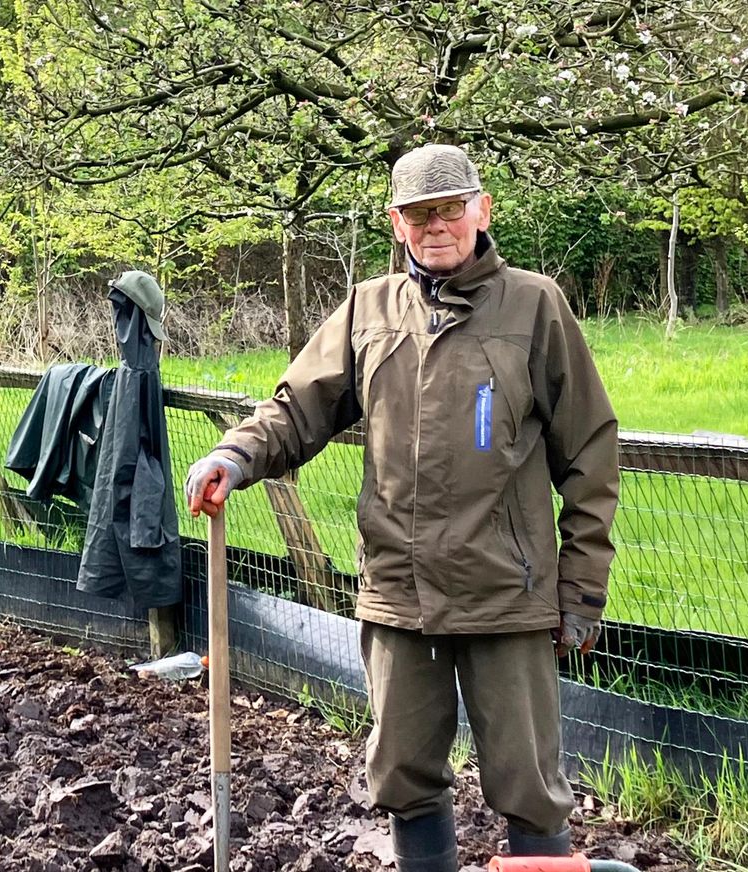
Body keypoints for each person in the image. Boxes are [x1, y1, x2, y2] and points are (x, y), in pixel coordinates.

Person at [184, 144, 619, 870]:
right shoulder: (368, 310)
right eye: (420, 213)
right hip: (397, 592)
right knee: (403, 773)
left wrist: (581, 589)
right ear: (396, 223)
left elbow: (591, 455)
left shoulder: (534, 306)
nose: (436, 226)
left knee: (529, 783)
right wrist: (235, 456)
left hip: (504, 593)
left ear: (482, 211)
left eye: (450, 208)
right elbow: (296, 410)